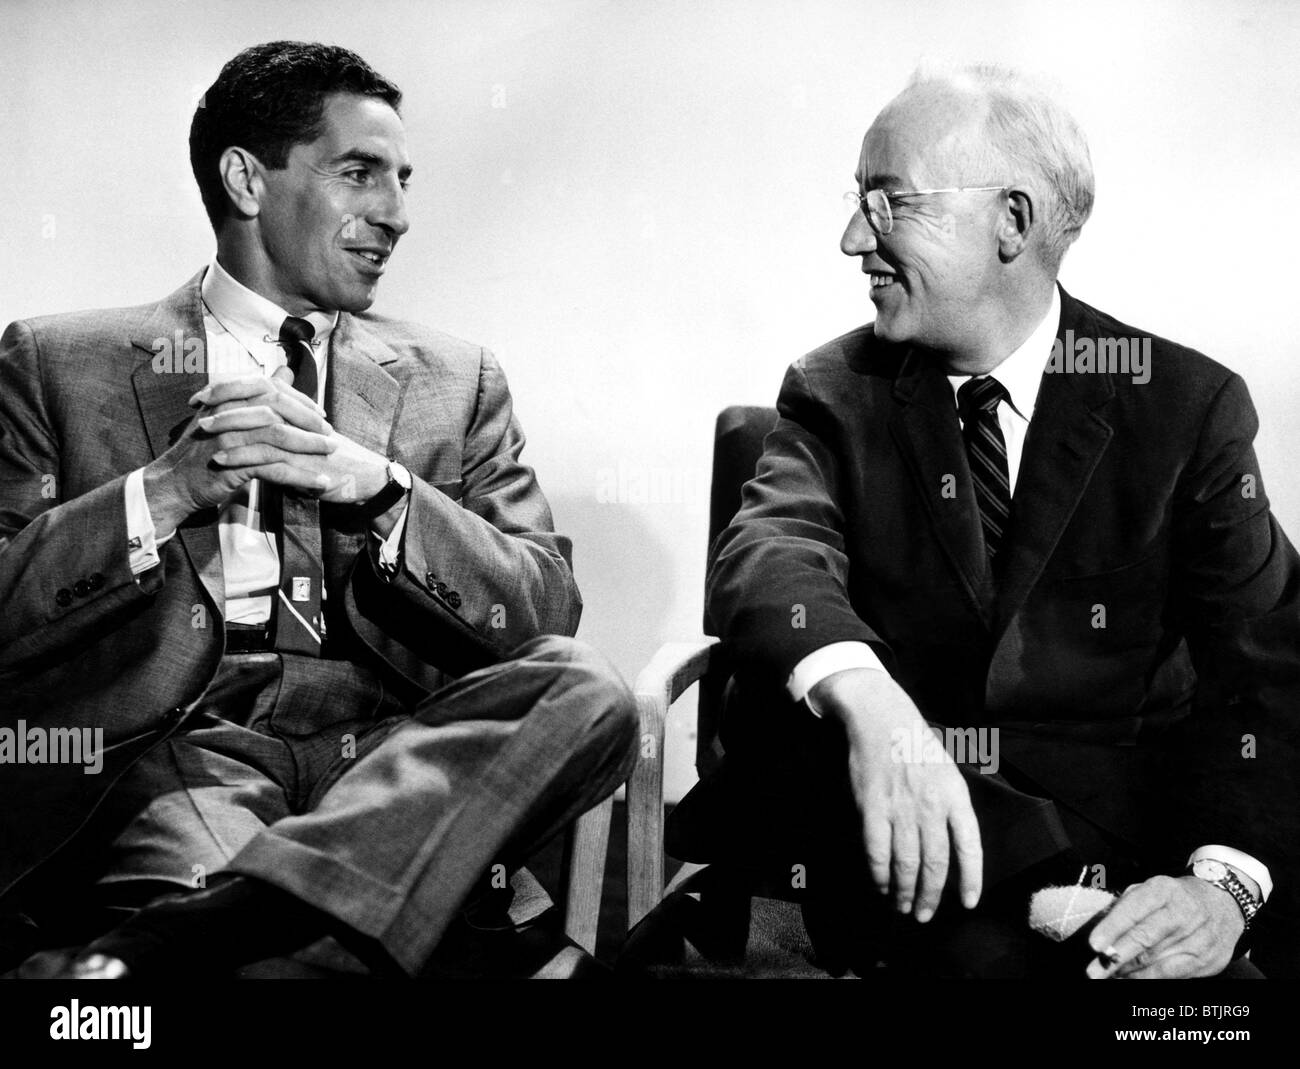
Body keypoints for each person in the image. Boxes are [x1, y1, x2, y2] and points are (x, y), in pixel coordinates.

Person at [0, 40, 637, 979]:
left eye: (402, 179)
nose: (398, 215)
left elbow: (541, 614)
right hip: (192, 754)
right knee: (301, 957)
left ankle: (166, 950)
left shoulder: (455, 380)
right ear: (246, 180)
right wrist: (161, 492)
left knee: (589, 687)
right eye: (359, 173)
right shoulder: (59, 363)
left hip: (399, 761)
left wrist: (381, 489)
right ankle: (320, 927)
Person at [680, 64, 1300, 978]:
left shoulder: (1184, 407)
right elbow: (771, 555)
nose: (854, 237)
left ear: (1012, 222)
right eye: (860, 201)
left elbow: (1268, 667)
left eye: (890, 203)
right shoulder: (835, 390)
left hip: (1128, 847)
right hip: (906, 853)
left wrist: (1224, 886)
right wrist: (877, 708)